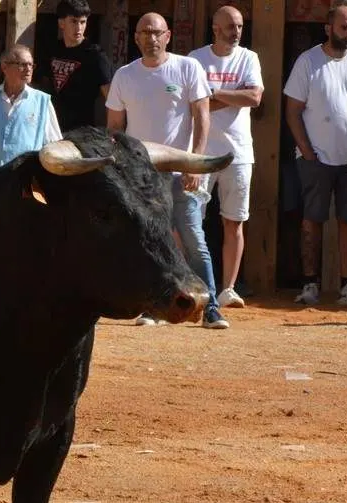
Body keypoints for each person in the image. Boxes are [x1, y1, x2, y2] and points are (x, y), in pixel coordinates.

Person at [106, 12, 228, 330]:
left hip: (179, 170)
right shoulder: (124, 75)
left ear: (168, 36)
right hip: (142, 176)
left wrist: (195, 163)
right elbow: (115, 128)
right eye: (144, 32)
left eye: (156, 32)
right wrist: (121, 171)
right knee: (148, 242)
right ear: (135, 38)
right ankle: (153, 306)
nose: (151, 38)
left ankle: (212, 306)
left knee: (193, 238)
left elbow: (202, 118)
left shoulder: (187, 68)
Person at [284, 5, 347, 307]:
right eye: (344, 27)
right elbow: (292, 111)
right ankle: (310, 284)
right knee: (312, 220)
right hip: (316, 159)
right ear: (328, 28)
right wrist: (306, 150)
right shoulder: (308, 61)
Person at [188, 5, 262, 309]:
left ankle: (228, 288)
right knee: (192, 221)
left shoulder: (249, 57)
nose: (236, 32)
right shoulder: (195, 59)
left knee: (234, 221)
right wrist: (231, 95)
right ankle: (193, 285)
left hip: (239, 152)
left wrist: (212, 94)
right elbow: (191, 105)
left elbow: (255, 97)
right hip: (200, 153)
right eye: (231, 26)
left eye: (240, 26)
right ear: (215, 28)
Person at [0, 44, 61, 171]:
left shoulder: (42, 101)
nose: (28, 69)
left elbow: (54, 145)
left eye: (31, 65)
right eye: (22, 64)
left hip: (25, 181)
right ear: (4, 67)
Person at [37, 0, 112, 132]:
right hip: (51, 128)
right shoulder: (52, 49)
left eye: (82, 22)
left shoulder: (95, 55)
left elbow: (111, 97)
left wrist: (112, 131)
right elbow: (41, 88)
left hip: (82, 131)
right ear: (61, 23)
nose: (79, 28)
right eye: (73, 21)